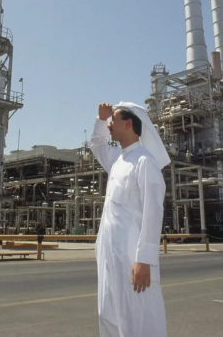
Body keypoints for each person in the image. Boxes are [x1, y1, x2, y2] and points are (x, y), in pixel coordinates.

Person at [90, 101, 170, 337]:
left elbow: (153, 212)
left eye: (113, 119)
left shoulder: (144, 161)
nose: (109, 124)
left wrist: (144, 259)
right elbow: (97, 144)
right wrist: (101, 119)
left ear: (128, 123)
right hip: (109, 256)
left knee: (138, 318)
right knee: (108, 315)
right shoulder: (117, 159)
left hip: (132, 259)